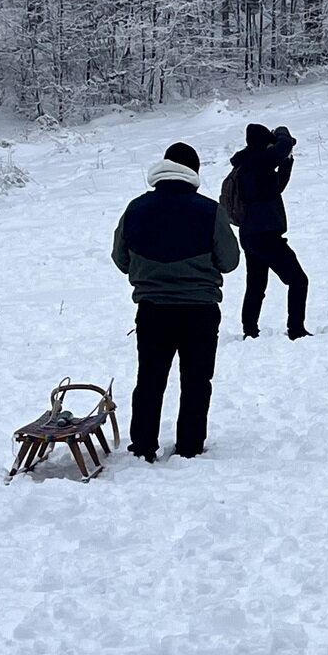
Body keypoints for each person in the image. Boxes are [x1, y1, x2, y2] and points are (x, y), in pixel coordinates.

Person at [111, 142, 240, 461]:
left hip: (152, 310)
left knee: (150, 379)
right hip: (200, 311)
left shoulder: (135, 209)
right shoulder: (210, 210)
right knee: (197, 380)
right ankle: (190, 446)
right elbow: (230, 260)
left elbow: (120, 257)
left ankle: (142, 446)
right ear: (193, 171)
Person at [228, 123, 311, 340]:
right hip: (266, 234)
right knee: (298, 280)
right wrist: (282, 132)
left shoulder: (247, 164)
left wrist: (287, 162)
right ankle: (296, 329)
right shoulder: (260, 160)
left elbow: (274, 188)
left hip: (250, 234)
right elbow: (282, 146)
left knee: (256, 285)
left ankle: (250, 331)